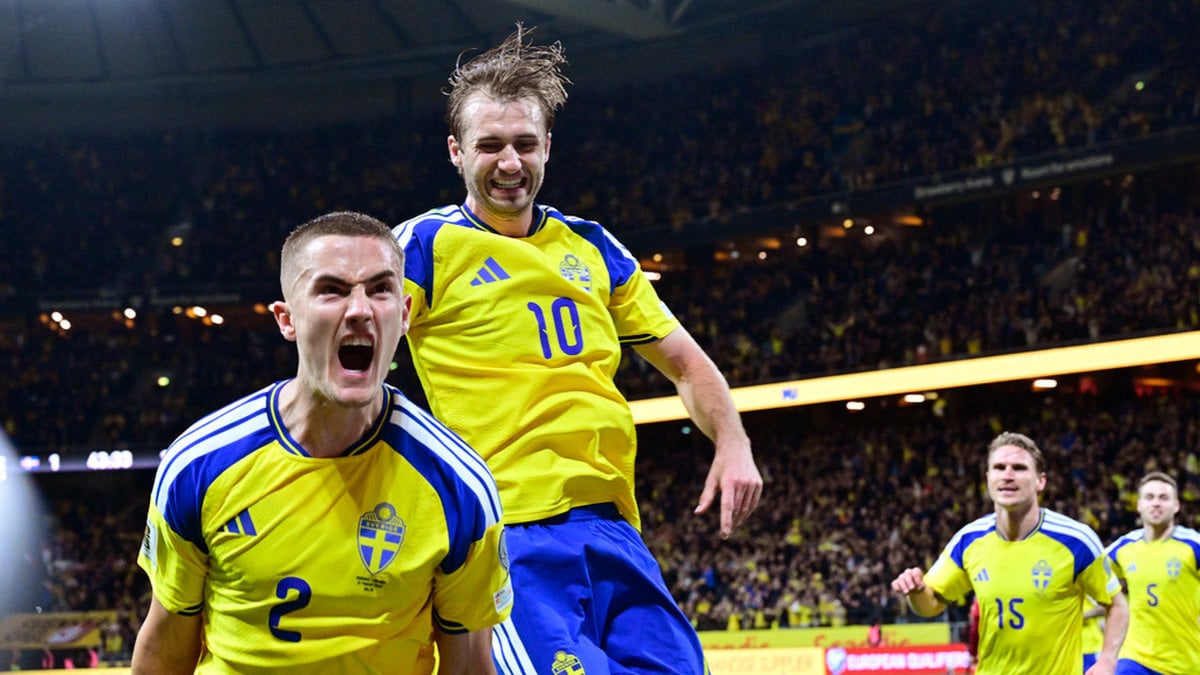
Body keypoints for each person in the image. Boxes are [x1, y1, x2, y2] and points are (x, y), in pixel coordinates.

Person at [393, 24, 762, 674]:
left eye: (524, 143)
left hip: (615, 527)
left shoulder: (592, 245)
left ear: (548, 147)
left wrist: (733, 442)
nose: (510, 162)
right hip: (508, 532)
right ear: (455, 151)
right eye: (490, 145)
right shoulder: (422, 246)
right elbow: (350, 341)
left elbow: (685, 363)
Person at [132, 212, 512, 674]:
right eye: (332, 290)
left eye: (380, 289)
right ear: (287, 319)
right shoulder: (198, 466)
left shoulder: (459, 485)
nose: (360, 310)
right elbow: (165, 647)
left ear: (405, 315)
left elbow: (469, 666)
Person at [890, 431, 1128, 675]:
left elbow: (1117, 606)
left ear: (1040, 481)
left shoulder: (1076, 541)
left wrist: (1107, 661)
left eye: (1019, 468)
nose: (1007, 475)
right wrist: (916, 592)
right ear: (988, 478)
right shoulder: (969, 540)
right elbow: (930, 604)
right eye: (999, 467)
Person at [1104, 471, 1200, 675]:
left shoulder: (1193, 545)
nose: (1156, 503)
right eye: (1149, 497)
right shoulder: (1124, 547)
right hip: (1136, 657)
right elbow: (1088, 572)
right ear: (1139, 505)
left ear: (1176, 506)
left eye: (1163, 498)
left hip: (1184, 662)